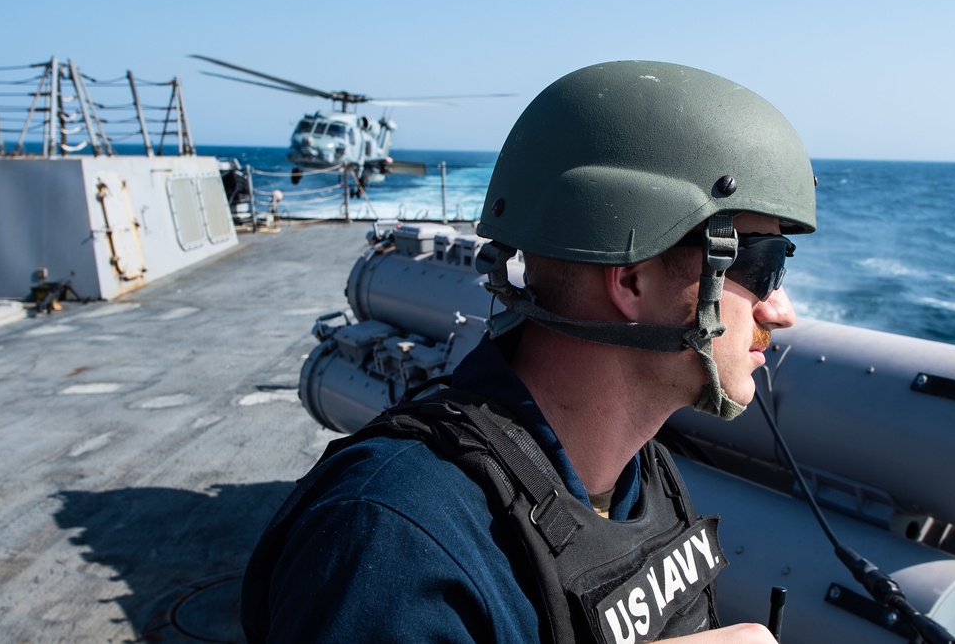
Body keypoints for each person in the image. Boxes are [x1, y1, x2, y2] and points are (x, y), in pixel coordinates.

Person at [240, 61, 817, 643]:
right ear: (634, 279)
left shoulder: (644, 479)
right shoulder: (389, 535)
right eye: (762, 265)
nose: (781, 311)